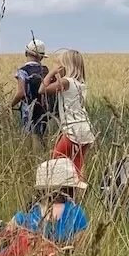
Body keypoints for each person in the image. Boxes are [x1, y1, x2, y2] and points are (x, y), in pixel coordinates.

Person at [41, 49, 94, 178]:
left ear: (65, 65)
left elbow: (42, 89)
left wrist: (51, 74)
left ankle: (59, 194)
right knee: (77, 165)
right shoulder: (80, 83)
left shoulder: (66, 82)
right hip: (85, 129)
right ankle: (79, 193)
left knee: (56, 163)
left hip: (72, 130)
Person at [11, 40, 52, 148]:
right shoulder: (45, 70)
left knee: (29, 137)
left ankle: (31, 159)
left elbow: (20, 93)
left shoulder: (23, 71)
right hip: (43, 109)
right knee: (41, 136)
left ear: (26, 53)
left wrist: (10, 105)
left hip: (28, 110)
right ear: (42, 57)